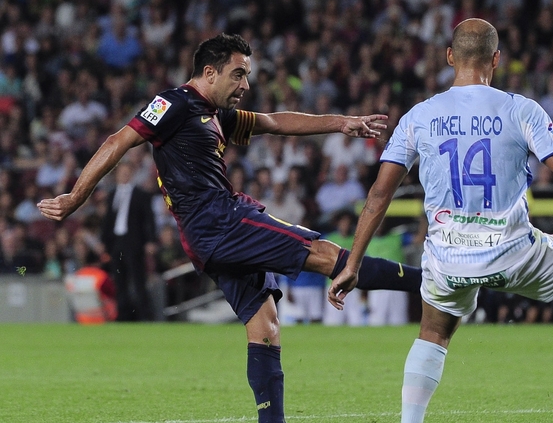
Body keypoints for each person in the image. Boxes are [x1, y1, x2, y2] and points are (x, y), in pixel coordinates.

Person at [37, 33, 422, 423]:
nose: (246, 85)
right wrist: (76, 196)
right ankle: (435, 282)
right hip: (222, 222)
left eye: (248, 75)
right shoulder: (173, 103)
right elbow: (118, 140)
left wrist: (342, 122)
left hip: (209, 236)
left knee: (266, 326)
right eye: (238, 75)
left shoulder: (215, 113)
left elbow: (274, 123)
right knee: (327, 256)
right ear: (209, 72)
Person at [328, 19, 553, 423]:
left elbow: (378, 196)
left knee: (434, 332)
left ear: (450, 57)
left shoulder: (418, 116)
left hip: (446, 258)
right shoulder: (520, 109)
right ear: (496, 59)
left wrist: (353, 263)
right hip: (513, 253)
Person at [100, 161, 158, 321]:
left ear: (131, 174)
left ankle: (146, 316)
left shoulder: (141, 194)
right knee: (119, 280)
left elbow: (149, 219)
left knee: (138, 279)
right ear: (117, 175)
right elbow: (107, 221)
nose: (124, 175)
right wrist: (103, 242)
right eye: (122, 172)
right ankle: (123, 316)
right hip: (116, 242)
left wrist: (151, 240)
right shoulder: (112, 195)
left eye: (127, 172)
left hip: (134, 242)